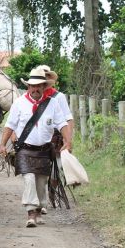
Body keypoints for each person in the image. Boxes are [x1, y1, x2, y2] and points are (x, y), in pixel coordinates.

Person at [0, 68, 72, 228]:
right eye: (33, 86)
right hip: (25, 149)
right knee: (29, 178)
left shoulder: (53, 104)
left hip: (44, 151)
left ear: (44, 86)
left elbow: (62, 123)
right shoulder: (19, 103)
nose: (36, 88)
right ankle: (31, 212)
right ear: (28, 87)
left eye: (39, 85)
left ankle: (38, 210)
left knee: (41, 182)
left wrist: (68, 140)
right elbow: (10, 125)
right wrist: (3, 144)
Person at [35, 65, 74, 214]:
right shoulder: (29, 97)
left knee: (56, 169)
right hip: (37, 139)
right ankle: (41, 200)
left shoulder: (58, 97)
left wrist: (68, 140)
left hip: (56, 138)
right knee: (38, 171)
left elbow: (68, 118)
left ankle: (52, 189)